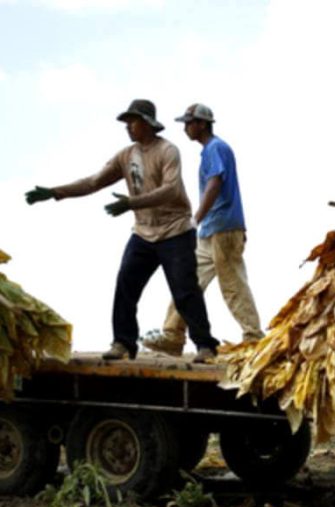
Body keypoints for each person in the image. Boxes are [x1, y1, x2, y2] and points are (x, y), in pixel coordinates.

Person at [25, 99, 220, 363]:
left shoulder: (168, 151)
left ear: (148, 124)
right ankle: (123, 342)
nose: (129, 127)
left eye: (134, 121)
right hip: (143, 233)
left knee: (185, 291)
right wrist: (56, 192)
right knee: (126, 284)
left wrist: (132, 203)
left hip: (175, 231)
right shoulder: (126, 156)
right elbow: (94, 181)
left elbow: (171, 189)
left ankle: (205, 346)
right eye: (127, 122)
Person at [142, 103, 263, 357]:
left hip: (221, 228)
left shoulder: (215, 149)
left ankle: (253, 337)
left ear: (202, 124)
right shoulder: (210, 150)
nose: (185, 128)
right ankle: (173, 336)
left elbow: (215, 182)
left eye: (189, 123)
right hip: (213, 231)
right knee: (186, 282)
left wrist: (196, 217)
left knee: (232, 284)